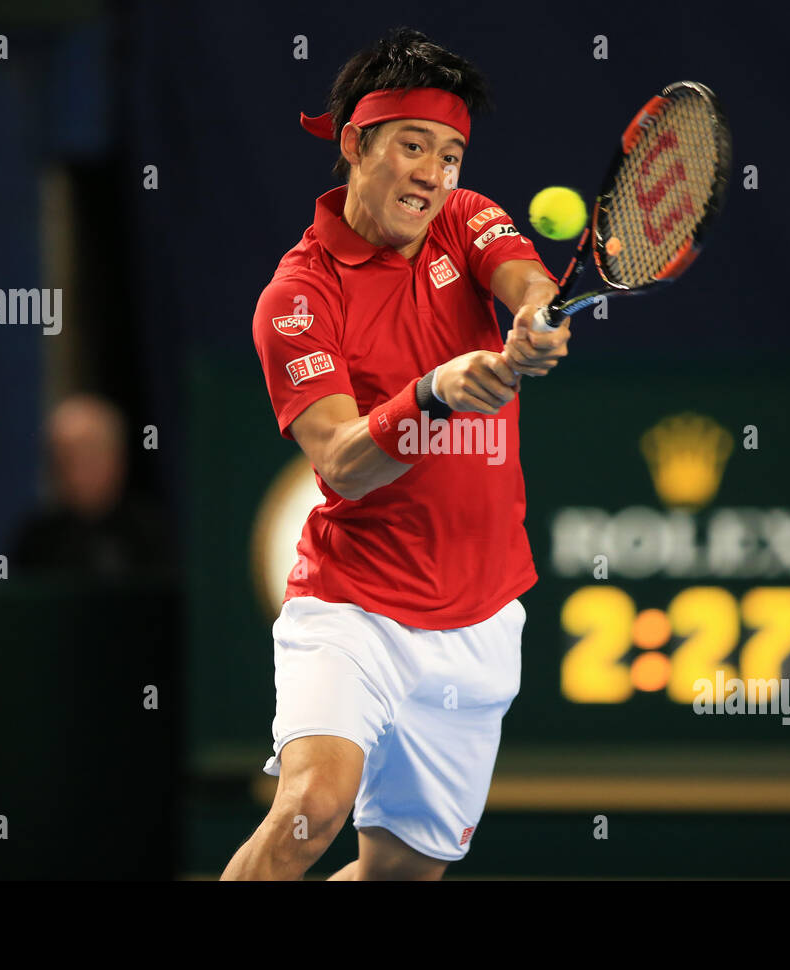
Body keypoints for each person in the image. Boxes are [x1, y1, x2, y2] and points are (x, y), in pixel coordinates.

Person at [225, 27, 570, 881]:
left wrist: (531, 316)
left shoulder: (465, 216)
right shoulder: (297, 299)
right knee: (309, 812)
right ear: (355, 145)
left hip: (480, 616)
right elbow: (341, 460)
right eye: (413, 146)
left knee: (397, 876)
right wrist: (433, 392)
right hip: (356, 610)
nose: (434, 173)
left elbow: (523, 277)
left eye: (450, 153)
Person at [11, 393, 170, 577]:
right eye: (61, 460)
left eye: (85, 456)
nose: (71, 472)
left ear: (116, 459)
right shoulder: (36, 539)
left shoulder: (151, 533)